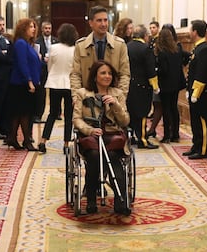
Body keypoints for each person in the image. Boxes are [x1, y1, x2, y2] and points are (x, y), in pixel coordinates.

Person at [73, 60, 131, 216]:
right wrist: (89, 130)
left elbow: (125, 121)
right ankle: (91, 198)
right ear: (95, 76)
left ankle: (121, 200)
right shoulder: (82, 93)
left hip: (112, 136)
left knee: (112, 156)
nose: (107, 76)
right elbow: (77, 118)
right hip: (91, 136)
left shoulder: (117, 94)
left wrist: (116, 105)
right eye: (103, 73)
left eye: (110, 73)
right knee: (93, 155)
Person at [70, 6, 130, 99]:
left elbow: (124, 74)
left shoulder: (119, 45)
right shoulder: (81, 45)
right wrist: (76, 96)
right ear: (91, 23)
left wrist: (120, 96)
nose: (103, 24)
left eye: (105, 20)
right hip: (88, 97)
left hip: (112, 97)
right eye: (99, 20)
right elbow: (75, 74)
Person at [37, 23, 78, 154]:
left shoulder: (54, 48)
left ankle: (43, 141)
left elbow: (49, 66)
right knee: (68, 115)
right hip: (69, 84)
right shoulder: (75, 49)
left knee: (52, 113)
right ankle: (66, 144)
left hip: (55, 83)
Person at [6, 18, 41, 151]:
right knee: (25, 113)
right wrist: (30, 81)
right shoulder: (20, 43)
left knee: (20, 113)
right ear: (23, 28)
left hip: (25, 83)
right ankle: (26, 141)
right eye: (31, 27)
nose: (33, 29)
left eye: (34, 27)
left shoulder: (27, 44)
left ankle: (13, 138)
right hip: (22, 84)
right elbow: (22, 64)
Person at [182, 20, 207, 159]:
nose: (189, 32)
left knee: (202, 122)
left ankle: (203, 150)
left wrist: (195, 93)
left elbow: (202, 74)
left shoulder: (205, 49)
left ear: (195, 32)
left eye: (190, 30)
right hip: (194, 93)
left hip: (201, 95)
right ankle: (196, 146)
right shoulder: (198, 47)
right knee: (195, 122)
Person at [126, 24, 159, 149]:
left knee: (131, 112)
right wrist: (155, 86)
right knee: (142, 113)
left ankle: (131, 137)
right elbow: (150, 70)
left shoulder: (127, 47)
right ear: (145, 36)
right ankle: (143, 139)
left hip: (129, 84)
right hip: (143, 86)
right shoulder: (146, 49)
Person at [155, 27, 188, 144]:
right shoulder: (177, 49)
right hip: (176, 83)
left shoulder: (163, 52)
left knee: (166, 109)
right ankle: (175, 134)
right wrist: (182, 65)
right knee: (174, 108)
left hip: (165, 84)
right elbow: (188, 56)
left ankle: (167, 135)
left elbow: (163, 70)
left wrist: (155, 70)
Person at [34, 21, 59, 124]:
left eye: (49, 28)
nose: (47, 30)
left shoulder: (56, 41)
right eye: (46, 28)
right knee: (41, 93)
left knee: (56, 91)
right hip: (42, 70)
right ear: (42, 29)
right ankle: (38, 114)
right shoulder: (37, 41)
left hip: (54, 69)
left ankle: (56, 113)